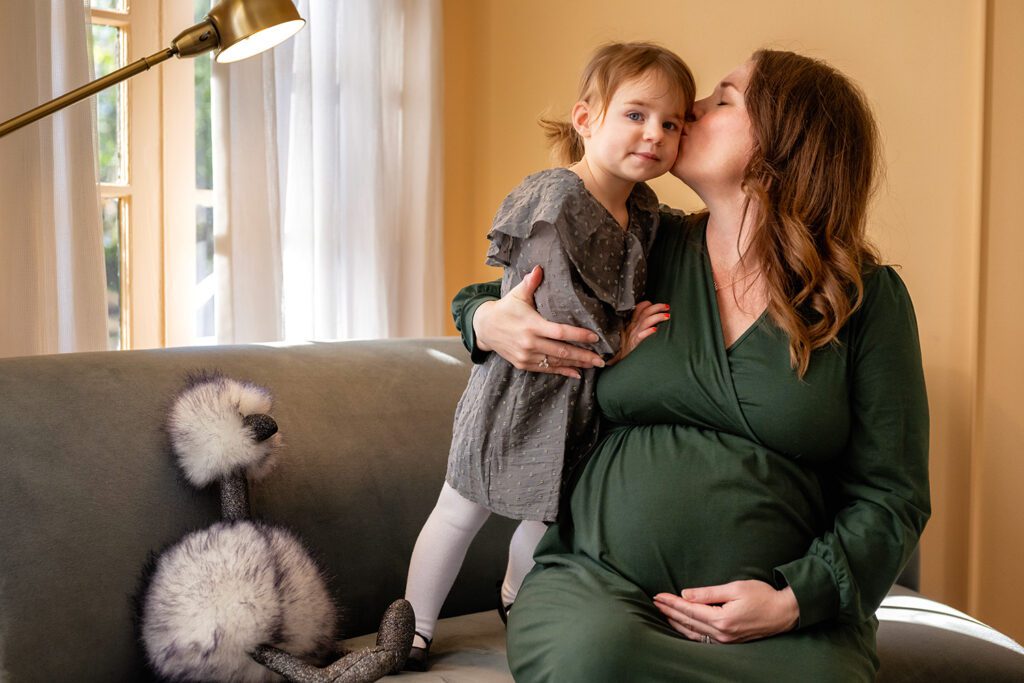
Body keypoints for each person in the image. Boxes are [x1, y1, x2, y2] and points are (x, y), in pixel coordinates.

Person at [451, 49, 930, 681]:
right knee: (589, 661)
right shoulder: (644, 243)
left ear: (785, 146)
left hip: (782, 625)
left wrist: (792, 601)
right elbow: (493, 293)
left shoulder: (865, 298)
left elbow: (892, 494)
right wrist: (488, 323)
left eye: (723, 99)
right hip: (604, 593)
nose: (692, 109)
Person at [403, 42, 696, 671]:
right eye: (637, 115)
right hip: (522, 383)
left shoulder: (642, 210)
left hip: (582, 400)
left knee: (552, 514)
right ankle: (413, 625)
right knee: (459, 508)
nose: (656, 136)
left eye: (672, 124)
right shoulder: (558, 197)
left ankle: (514, 594)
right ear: (586, 120)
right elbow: (556, 305)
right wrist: (620, 340)